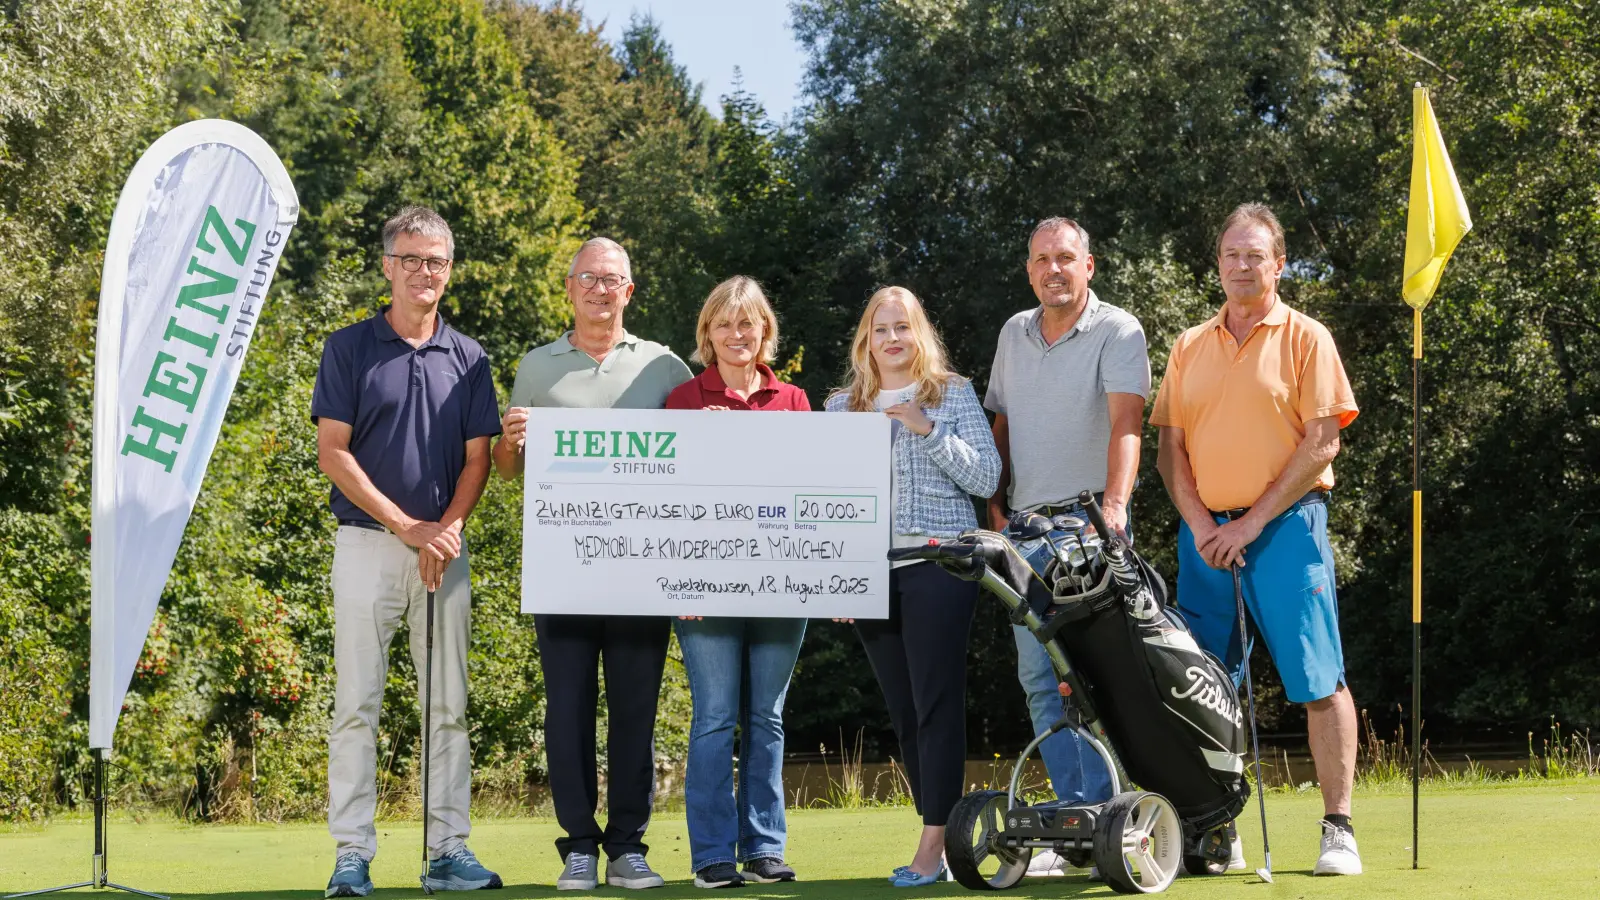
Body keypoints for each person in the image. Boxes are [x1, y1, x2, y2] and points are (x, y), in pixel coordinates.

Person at [1150, 202, 1362, 876]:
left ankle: (1338, 829)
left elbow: (1321, 442)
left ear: (1279, 265)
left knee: (1318, 678)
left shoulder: (1307, 337)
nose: (1242, 266)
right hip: (1206, 538)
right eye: (1232, 255)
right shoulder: (1189, 344)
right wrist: (1203, 526)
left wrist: (1250, 523)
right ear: (1218, 264)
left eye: (1255, 255)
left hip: (1287, 530)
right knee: (1201, 686)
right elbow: (1169, 452)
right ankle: (1216, 828)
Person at [312, 206, 504, 897]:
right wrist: (408, 527)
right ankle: (351, 856)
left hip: (445, 553)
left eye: (438, 262)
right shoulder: (348, 348)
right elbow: (333, 453)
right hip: (367, 546)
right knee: (356, 705)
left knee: (447, 706)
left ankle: (447, 852)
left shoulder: (469, 357)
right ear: (389, 266)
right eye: (413, 260)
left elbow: (478, 459)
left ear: (449, 271)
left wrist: (444, 530)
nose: (426, 272)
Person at [493, 237, 692, 891]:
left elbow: (696, 462)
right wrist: (509, 443)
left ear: (629, 291)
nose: (600, 289)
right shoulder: (537, 366)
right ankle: (579, 846)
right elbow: (509, 469)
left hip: (642, 572)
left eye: (612, 280)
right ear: (570, 288)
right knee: (568, 712)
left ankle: (627, 847)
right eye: (589, 278)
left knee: (636, 714)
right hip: (564, 571)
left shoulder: (665, 367)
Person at [982, 218, 1149, 875]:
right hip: (1023, 534)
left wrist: (1115, 508)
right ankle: (1074, 826)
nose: (1054, 269)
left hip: (1090, 527)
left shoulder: (1118, 330)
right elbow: (1001, 424)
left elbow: (1128, 424)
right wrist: (994, 502)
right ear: (1029, 270)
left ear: (1089, 265)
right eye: (1042, 259)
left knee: (1100, 676)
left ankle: (1115, 816)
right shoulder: (1013, 333)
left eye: (1066, 258)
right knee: (1039, 679)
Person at [825, 286, 1001, 888]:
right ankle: (942, 836)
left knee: (935, 704)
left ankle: (934, 845)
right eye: (881, 329)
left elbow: (986, 477)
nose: (892, 338)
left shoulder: (951, 394)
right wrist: (837, 579)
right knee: (903, 712)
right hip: (869, 574)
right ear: (866, 340)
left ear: (919, 333)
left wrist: (928, 429)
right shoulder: (841, 407)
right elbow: (825, 499)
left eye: (902, 326)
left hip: (939, 565)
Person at [663, 276, 811, 889]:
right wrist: (681, 586)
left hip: (782, 583)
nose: (736, 333)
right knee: (715, 718)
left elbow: (812, 491)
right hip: (705, 587)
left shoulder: (794, 400)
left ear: (764, 330)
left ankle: (765, 848)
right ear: (707, 333)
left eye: (747, 322)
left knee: (767, 718)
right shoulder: (683, 400)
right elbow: (665, 501)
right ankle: (712, 857)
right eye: (723, 323)